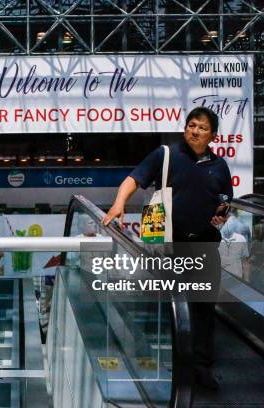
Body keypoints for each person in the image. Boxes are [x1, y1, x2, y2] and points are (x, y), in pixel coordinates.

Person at [103, 106, 232, 390]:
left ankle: (201, 368)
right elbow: (134, 178)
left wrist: (222, 214)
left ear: (213, 135)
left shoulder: (219, 166)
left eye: (202, 127)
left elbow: (225, 200)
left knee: (204, 309)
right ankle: (175, 367)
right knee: (175, 307)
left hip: (206, 246)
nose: (195, 131)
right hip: (172, 246)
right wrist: (119, 202)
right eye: (191, 125)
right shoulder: (166, 155)